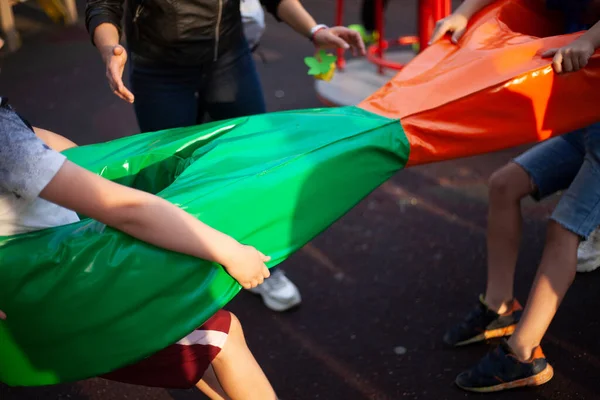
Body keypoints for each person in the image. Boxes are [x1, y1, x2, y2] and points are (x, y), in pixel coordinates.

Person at [85, 0, 365, 312]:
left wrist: (315, 30)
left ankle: (265, 263)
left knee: (253, 165)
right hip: (159, 70)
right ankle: (182, 280)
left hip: (229, 58)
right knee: (171, 177)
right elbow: (103, 5)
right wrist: (110, 48)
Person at [0, 94, 277, 399]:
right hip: (60, 291)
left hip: (51, 276)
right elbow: (127, 211)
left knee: (192, 337)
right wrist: (231, 251)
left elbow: (38, 139)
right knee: (221, 334)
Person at [431, 0, 600, 392]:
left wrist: (590, 39)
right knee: (504, 185)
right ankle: (499, 307)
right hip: (585, 123)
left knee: (564, 230)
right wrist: (463, 13)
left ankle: (524, 354)